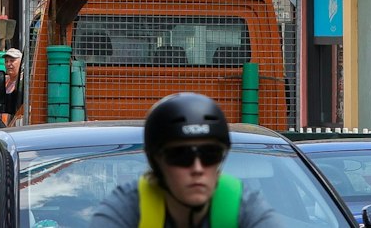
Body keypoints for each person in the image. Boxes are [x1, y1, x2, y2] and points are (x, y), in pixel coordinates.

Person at [89, 92, 279, 228]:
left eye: (210, 154)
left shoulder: (241, 206)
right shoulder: (129, 207)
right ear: (156, 162)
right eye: (180, 155)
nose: (197, 168)